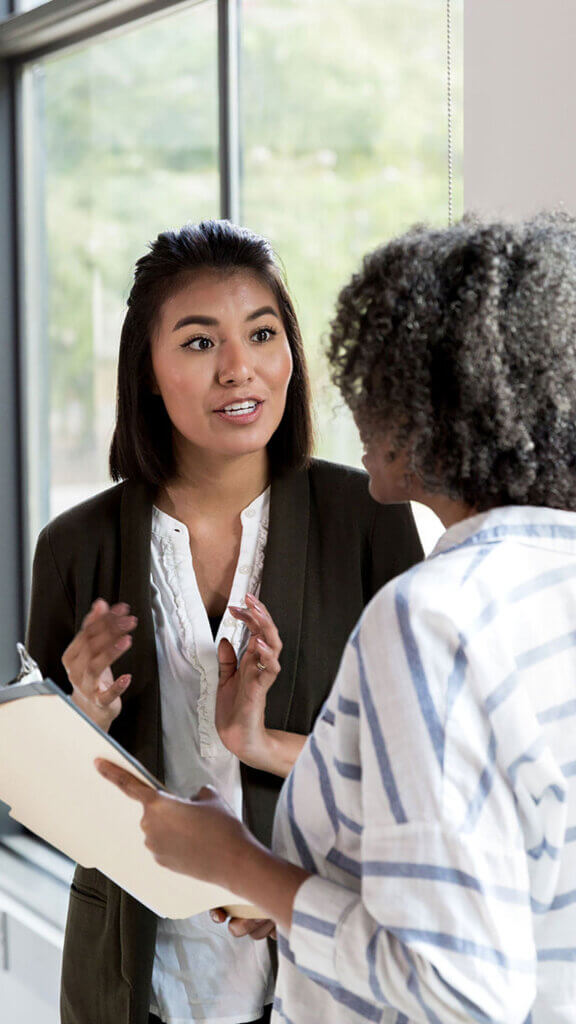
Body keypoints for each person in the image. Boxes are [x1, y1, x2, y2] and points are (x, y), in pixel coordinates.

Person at [100, 212, 576, 1024]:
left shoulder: (430, 617)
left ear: (439, 405)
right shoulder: (548, 580)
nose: (351, 400)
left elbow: (457, 986)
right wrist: (288, 883)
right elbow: (484, 867)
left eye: (376, 378)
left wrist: (244, 868)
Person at [26, 219, 423, 1024]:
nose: (240, 369)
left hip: (316, 966)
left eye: (263, 334)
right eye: (200, 343)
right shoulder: (76, 547)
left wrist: (264, 792)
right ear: (148, 372)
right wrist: (82, 723)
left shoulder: (367, 519)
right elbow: (38, 805)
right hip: (136, 978)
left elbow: (415, 772)